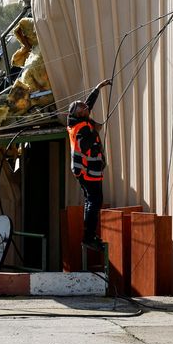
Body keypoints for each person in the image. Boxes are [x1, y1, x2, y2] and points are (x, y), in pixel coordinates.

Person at [68, 78, 111, 249]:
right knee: (95, 200)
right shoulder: (82, 128)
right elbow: (84, 145)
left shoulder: (76, 121)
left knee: (90, 200)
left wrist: (98, 87)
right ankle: (88, 237)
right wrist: (94, 131)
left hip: (84, 170)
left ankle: (89, 236)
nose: (86, 107)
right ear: (78, 113)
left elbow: (88, 104)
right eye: (82, 108)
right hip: (87, 170)